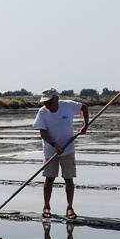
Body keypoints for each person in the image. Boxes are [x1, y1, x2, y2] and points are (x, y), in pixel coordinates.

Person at [32, 89, 89, 220]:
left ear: (56, 99)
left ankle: (70, 207)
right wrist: (54, 145)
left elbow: (84, 107)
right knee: (49, 178)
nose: (46, 105)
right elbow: (43, 133)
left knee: (68, 179)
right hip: (50, 150)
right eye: (45, 102)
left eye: (48, 102)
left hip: (68, 149)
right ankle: (46, 206)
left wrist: (85, 126)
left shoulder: (68, 105)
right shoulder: (42, 113)